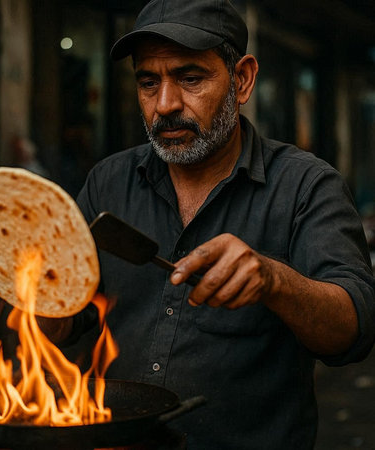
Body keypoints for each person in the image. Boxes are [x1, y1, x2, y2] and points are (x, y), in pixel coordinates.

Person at [42, 1, 375, 448]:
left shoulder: (306, 186)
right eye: (148, 82)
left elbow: (353, 330)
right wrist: (39, 302)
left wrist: (275, 281)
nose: (165, 104)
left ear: (242, 80)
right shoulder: (109, 182)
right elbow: (69, 314)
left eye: (190, 78)